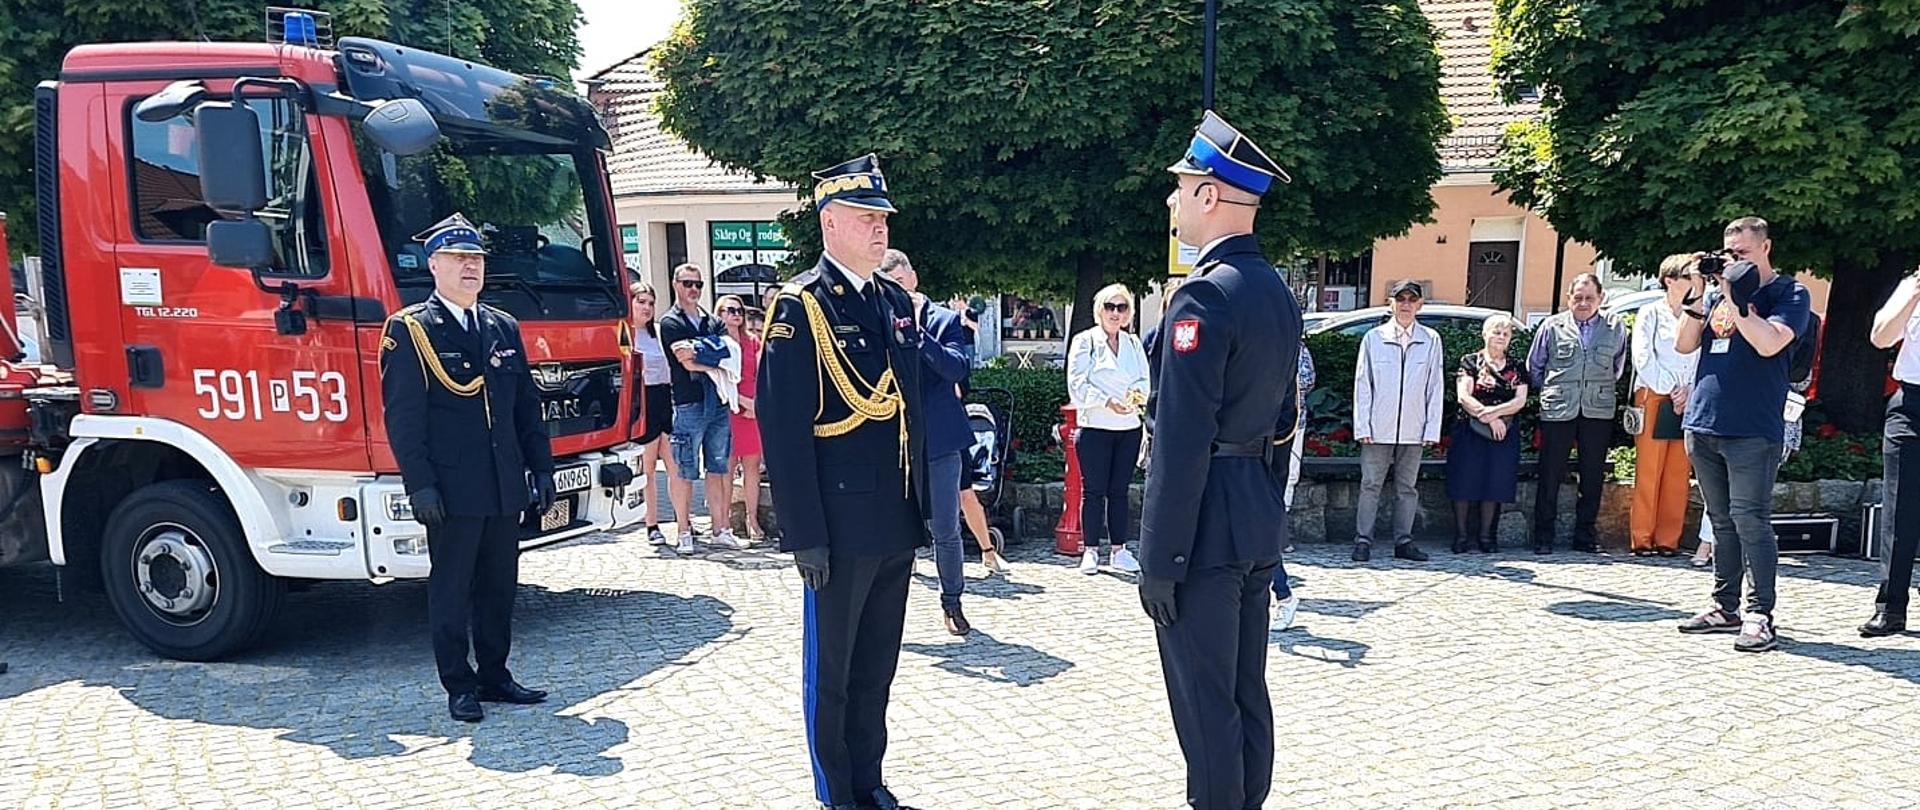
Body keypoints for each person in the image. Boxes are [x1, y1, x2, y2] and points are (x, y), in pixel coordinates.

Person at [1139, 110, 1299, 810]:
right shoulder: (1274, 292)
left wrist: (1158, 559)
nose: (1172, 201)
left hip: (1203, 527)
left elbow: (1178, 441)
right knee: (1245, 695)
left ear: (1210, 195)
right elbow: (1287, 421)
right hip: (1254, 514)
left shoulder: (1204, 294)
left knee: (1207, 712)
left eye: (1181, 187)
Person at [760, 153, 929, 810]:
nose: (879, 228)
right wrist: (804, 533)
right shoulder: (800, 308)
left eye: (882, 217)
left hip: (892, 519)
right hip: (835, 525)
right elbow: (784, 429)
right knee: (831, 676)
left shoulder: (890, 301)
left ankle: (870, 783)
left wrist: (926, 511)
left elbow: (910, 412)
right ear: (830, 223)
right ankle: (838, 797)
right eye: (865, 217)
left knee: (875, 670)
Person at [379, 213, 554, 723]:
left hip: (502, 483)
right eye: (458, 259)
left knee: (500, 586)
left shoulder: (503, 326)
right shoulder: (410, 330)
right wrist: (421, 486)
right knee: (452, 589)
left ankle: (496, 675)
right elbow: (404, 419)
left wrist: (540, 468)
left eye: (475, 259)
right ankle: (459, 684)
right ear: (434, 265)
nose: (469, 268)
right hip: (452, 489)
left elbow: (526, 406)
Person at [1673, 216, 1810, 654]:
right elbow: (1685, 343)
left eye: (1743, 255)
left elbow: (1769, 343)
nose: (1734, 262)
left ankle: (1760, 613)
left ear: (1766, 247)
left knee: (1751, 519)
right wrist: (1698, 296)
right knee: (1721, 520)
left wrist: (1737, 297)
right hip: (1705, 420)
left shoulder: (1789, 293)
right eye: (1729, 254)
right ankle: (1724, 604)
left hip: (1753, 426)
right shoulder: (1716, 293)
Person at [881, 249, 978, 635]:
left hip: (939, 440)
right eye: (889, 287)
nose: (897, 293)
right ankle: (885, 615)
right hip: (893, 441)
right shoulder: (879, 320)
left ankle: (952, 602)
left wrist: (918, 338)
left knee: (945, 528)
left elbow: (957, 367)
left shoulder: (944, 320)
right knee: (889, 530)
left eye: (901, 284)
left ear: (914, 279)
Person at [1525, 273, 1627, 554]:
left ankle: (1584, 536)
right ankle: (1543, 536)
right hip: (1559, 408)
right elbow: (1536, 365)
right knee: (1550, 474)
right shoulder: (1552, 326)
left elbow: (1617, 366)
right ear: (1568, 299)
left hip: (1597, 408)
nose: (1583, 303)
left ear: (1600, 299)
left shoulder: (1615, 327)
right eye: (1578, 298)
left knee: (1592, 475)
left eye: (1589, 298)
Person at [1350, 280, 1444, 563]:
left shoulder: (1431, 339)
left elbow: (1434, 386)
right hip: (1378, 427)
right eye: (1400, 299)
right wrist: (1362, 425)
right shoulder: (1373, 338)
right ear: (1391, 303)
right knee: (1370, 485)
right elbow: (1363, 384)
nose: (1405, 304)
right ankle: (1363, 540)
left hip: (1414, 428)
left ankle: (1404, 541)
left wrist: (1431, 428)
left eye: (1411, 300)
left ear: (1419, 305)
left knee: (1407, 487)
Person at [1067, 283, 1151, 575]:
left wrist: (1133, 399)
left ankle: (1119, 549)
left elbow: (1144, 380)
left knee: (1120, 490)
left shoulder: (1133, 343)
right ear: (1099, 310)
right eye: (1110, 307)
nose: (1116, 313)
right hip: (1096, 426)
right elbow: (1076, 384)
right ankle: (1090, 549)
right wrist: (1106, 401)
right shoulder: (1085, 341)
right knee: (1094, 490)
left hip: (1127, 426)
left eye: (1122, 307)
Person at [659, 263, 743, 553]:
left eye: (698, 284)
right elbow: (686, 361)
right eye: (688, 283)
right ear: (676, 284)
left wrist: (702, 352)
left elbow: (730, 353)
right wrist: (711, 355)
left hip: (717, 400)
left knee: (718, 466)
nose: (693, 289)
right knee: (684, 469)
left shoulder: (711, 320)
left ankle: (721, 528)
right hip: (689, 402)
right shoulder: (670, 322)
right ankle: (684, 530)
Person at [1859, 265, 1920, 637]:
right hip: (1911, 403)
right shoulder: (1910, 285)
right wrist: (1913, 295)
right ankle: (1890, 608)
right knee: (1899, 509)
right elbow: (1880, 337)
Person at [1628, 256, 1701, 557]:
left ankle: (1668, 539)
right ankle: (1642, 537)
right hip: (1655, 394)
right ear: (1670, 280)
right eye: (1687, 277)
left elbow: (1698, 353)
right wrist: (1669, 389)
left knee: (1678, 471)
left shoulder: (1696, 313)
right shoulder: (1650, 313)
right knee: (1650, 469)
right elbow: (1642, 356)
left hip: (1687, 396)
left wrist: (1688, 389)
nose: (1694, 283)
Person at [1446, 315, 1531, 554]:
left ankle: (1486, 536)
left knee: (1495, 482)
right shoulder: (1470, 362)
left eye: (1505, 334)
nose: (1501, 337)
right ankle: (1461, 536)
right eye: (1496, 332)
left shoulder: (1516, 366)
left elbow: (1520, 400)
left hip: (1503, 432)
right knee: (1464, 481)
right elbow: (1464, 396)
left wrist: (1494, 414)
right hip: (1470, 430)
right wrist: (1488, 417)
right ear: (1485, 334)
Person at [629, 282, 679, 546]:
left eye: (650, 302)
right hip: (643, 401)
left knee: (675, 465)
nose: (647, 308)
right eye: (641, 302)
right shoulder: (625, 333)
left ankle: (684, 521)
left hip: (664, 398)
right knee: (648, 467)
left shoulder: (658, 332)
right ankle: (652, 524)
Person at [1272, 343, 1315, 631]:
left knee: (1260, 527)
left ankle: (1284, 594)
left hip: (1271, 439)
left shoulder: (1294, 348)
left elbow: (1305, 382)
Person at [720, 295, 768, 542]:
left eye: (739, 310)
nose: (736, 314)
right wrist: (739, 401)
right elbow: (718, 377)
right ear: (720, 314)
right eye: (730, 310)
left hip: (751, 409)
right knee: (726, 467)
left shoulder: (753, 342)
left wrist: (757, 404)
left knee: (752, 468)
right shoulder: (718, 342)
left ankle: (752, 518)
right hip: (728, 408)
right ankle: (724, 521)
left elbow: (764, 374)